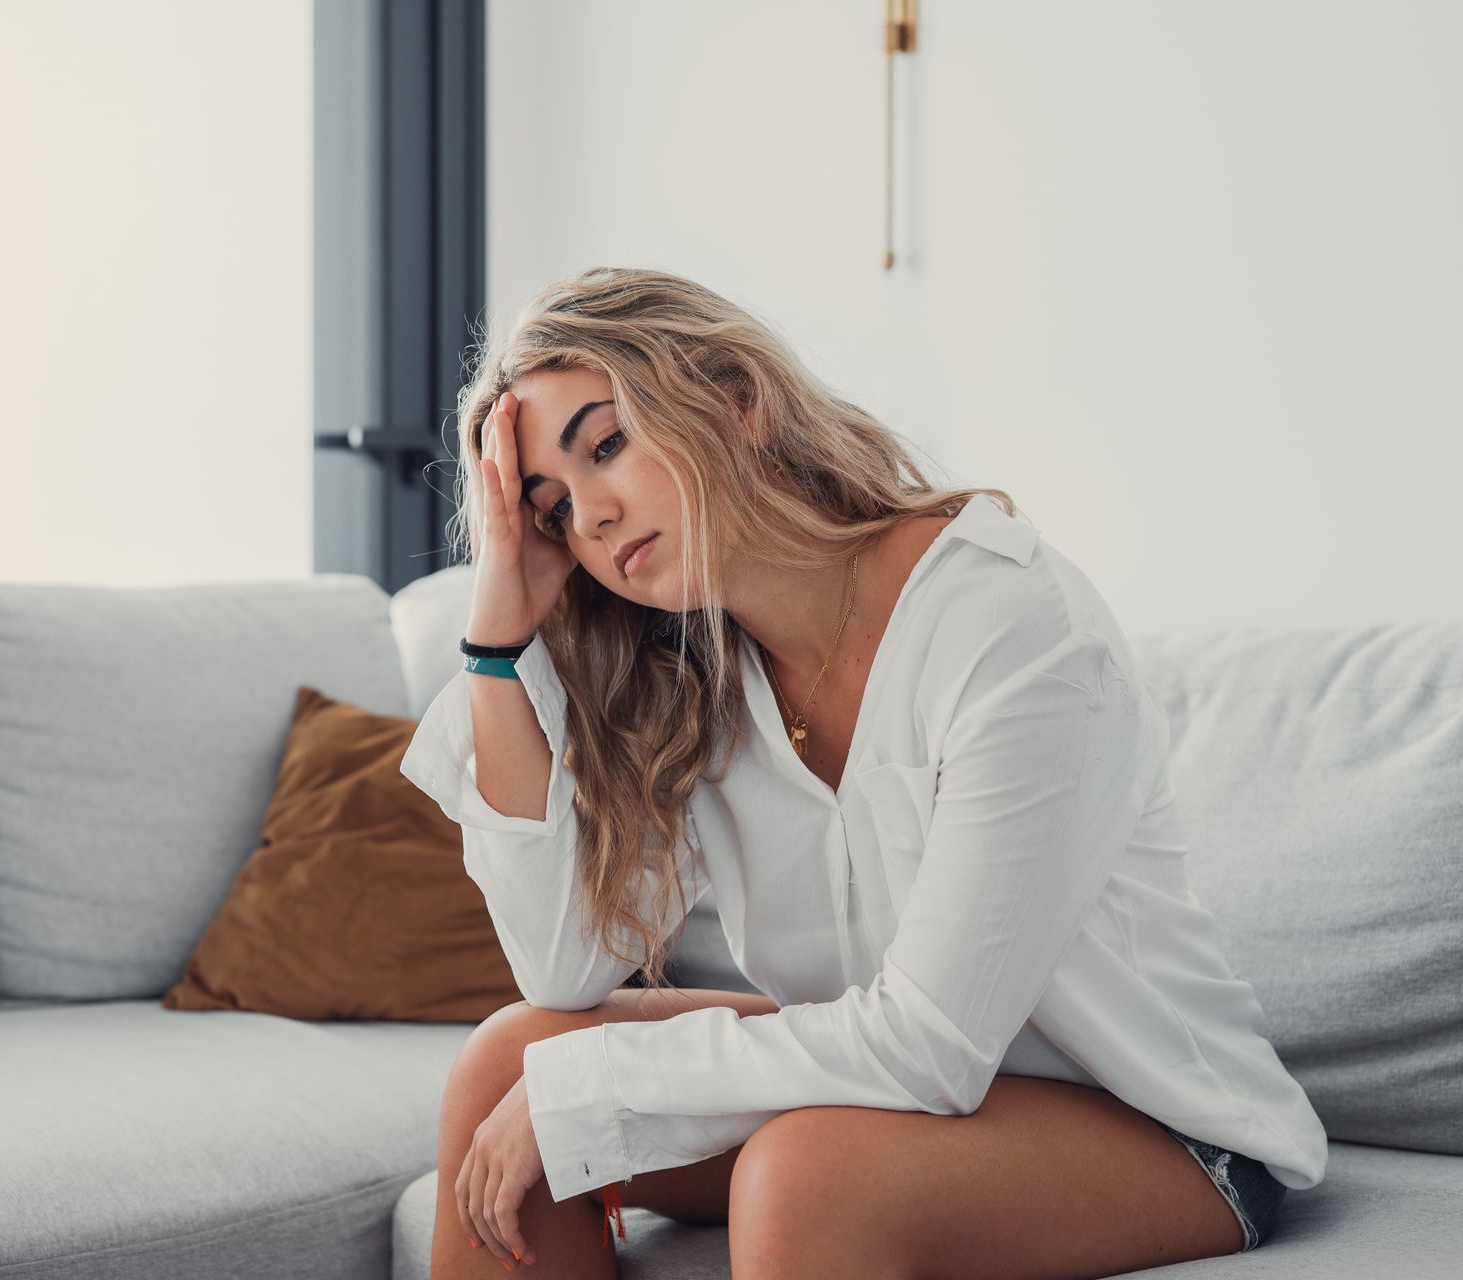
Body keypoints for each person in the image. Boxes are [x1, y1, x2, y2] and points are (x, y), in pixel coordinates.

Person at [398, 267, 1326, 1279]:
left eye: (608, 446)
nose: (593, 519)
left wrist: (595, 1086)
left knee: (805, 1175)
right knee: (508, 1065)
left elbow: (931, 1043)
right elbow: (561, 969)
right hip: (884, 1095)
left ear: (737, 402)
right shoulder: (696, 676)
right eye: (552, 510)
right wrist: (496, 648)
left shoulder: (1009, 624)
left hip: (1158, 1125)